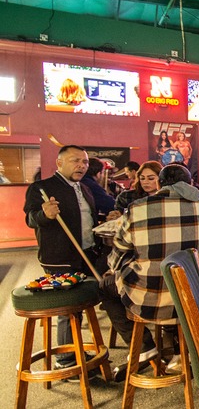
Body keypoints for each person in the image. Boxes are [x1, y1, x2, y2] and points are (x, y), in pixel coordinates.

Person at [103, 164, 199, 377]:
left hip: (152, 300)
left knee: (104, 287)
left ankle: (145, 348)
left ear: (160, 183)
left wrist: (115, 268)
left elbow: (119, 251)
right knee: (177, 287)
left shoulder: (137, 208)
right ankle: (181, 348)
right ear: (190, 184)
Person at [24, 145, 98, 370]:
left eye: (84, 162)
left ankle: (73, 349)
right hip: (60, 257)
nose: (81, 166)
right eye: (75, 160)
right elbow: (30, 219)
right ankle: (66, 361)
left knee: (78, 306)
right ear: (59, 163)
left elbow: (87, 219)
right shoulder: (42, 188)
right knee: (68, 309)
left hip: (86, 253)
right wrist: (44, 215)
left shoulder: (84, 188)